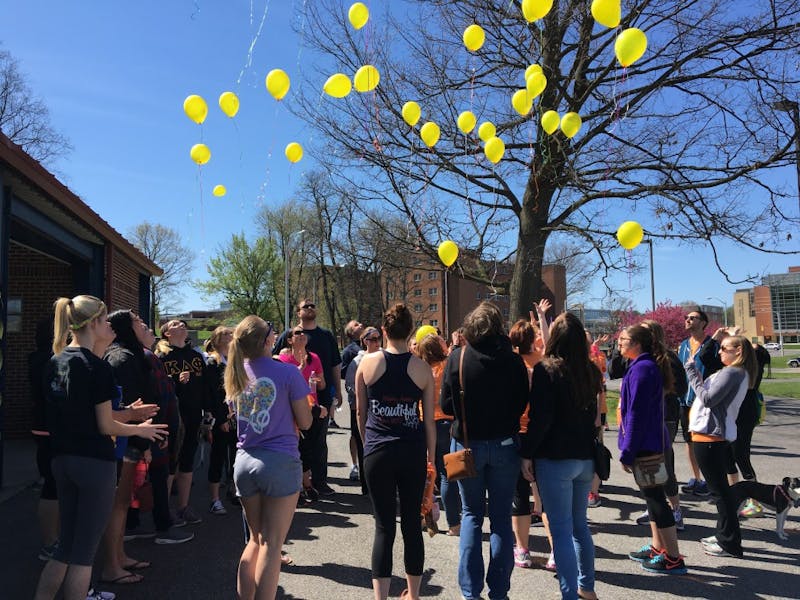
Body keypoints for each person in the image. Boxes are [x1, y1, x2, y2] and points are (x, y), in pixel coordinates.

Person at [34, 296, 166, 600]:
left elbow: (76, 415)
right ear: (93, 323)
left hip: (62, 460)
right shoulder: (96, 367)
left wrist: (129, 419)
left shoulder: (56, 361)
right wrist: (140, 429)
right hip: (94, 464)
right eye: (105, 320)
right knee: (82, 555)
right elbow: (105, 425)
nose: (110, 325)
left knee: (65, 546)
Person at [441, 301, 528, 600]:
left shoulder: (457, 357)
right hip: (505, 444)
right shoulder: (514, 361)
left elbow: (446, 406)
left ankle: (470, 591)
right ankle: (499, 590)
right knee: (501, 518)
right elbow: (521, 403)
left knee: (471, 515)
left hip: (466, 445)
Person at [224, 315, 312, 600]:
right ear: (266, 340)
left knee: (255, 539)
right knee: (273, 545)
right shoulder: (287, 373)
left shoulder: (236, 371)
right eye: (272, 332)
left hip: (245, 461)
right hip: (279, 461)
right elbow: (306, 421)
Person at [356, 304, 436, 600]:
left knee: (383, 527)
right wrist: (431, 460)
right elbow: (428, 422)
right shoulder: (422, 368)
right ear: (410, 331)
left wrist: (369, 447)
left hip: (377, 451)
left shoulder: (367, 363)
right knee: (412, 526)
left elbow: (360, 414)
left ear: (384, 331)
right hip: (412, 451)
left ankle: (381, 597)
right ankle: (413, 595)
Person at [521, 313, 601, 599]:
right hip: (583, 458)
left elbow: (541, 419)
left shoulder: (547, 370)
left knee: (562, 531)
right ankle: (586, 586)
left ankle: (569, 593)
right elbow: (595, 418)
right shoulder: (591, 371)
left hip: (555, 458)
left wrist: (527, 453)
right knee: (580, 526)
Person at [618, 324, 687, 575]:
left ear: (637, 344)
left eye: (623, 339)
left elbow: (636, 414)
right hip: (645, 444)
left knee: (657, 500)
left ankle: (673, 558)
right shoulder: (640, 366)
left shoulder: (643, 369)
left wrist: (627, 450)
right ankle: (659, 548)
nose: (619, 342)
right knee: (652, 499)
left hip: (646, 446)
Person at [100, 310, 161, 585]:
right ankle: (111, 566)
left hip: (131, 439)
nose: (143, 324)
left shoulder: (130, 355)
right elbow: (125, 409)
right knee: (118, 504)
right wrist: (141, 440)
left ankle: (120, 555)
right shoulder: (121, 358)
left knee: (123, 504)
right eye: (137, 321)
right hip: (123, 442)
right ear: (127, 327)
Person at [685, 333, 757, 558]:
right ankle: (724, 535)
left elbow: (708, 399)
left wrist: (692, 373)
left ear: (738, 351)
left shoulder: (733, 372)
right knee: (721, 492)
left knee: (720, 493)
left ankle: (730, 543)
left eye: (724, 348)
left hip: (711, 437)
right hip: (708, 436)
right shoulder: (733, 372)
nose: (719, 352)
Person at [272, 299, 342, 495]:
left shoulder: (326, 336)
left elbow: (335, 365)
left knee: (319, 442)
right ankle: (297, 484)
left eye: (313, 305)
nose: (310, 308)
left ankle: (319, 482)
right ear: (298, 312)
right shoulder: (288, 335)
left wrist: (338, 390)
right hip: (292, 401)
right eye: (306, 306)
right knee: (296, 441)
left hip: (320, 397)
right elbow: (273, 360)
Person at [634, 319, 689, 531]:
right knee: (649, 465)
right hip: (647, 417)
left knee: (664, 464)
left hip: (665, 416)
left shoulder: (668, 357)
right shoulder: (640, 357)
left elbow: (681, 388)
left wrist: (662, 391)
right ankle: (655, 506)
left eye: (644, 331)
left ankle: (675, 511)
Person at [157, 319, 211, 525]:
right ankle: (164, 510)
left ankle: (183, 507)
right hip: (171, 418)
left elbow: (205, 388)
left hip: (194, 416)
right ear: (166, 334)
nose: (181, 325)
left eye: (182, 324)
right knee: (170, 464)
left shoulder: (196, 357)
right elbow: (158, 390)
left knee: (187, 462)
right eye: (174, 324)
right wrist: (177, 383)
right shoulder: (161, 357)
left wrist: (208, 413)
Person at [417, 332, 462, 537]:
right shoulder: (447, 367)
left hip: (427, 423)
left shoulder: (421, 370)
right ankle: (455, 522)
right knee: (452, 473)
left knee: (433, 472)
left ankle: (428, 517)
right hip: (449, 423)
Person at [278, 324, 327, 501]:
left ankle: (308, 485)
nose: (301, 335)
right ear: (290, 339)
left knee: (311, 449)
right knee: (297, 449)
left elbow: (322, 385)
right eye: (297, 333)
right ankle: (299, 487)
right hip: (293, 409)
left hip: (313, 407)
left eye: (303, 333)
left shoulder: (314, 357)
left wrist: (317, 380)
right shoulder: (283, 359)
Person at [677, 308, 722, 497]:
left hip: (703, 401)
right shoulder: (683, 345)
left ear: (703, 323)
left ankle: (711, 481)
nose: (687, 320)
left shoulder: (712, 344)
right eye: (686, 318)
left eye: (692, 318)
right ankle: (697, 478)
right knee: (689, 441)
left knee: (705, 441)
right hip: (684, 401)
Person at [29, 317, 58, 561]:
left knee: (52, 483)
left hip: (42, 425)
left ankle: (52, 541)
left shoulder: (36, 357)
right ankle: (50, 543)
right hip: (51, 428)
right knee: (53, 485)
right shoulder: (51, 360)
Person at [732, 340, 771, 517]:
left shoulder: (752, 372)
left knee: (741, 456)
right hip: (737, 417)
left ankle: (755, 502)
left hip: (744, 417)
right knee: (730, 457)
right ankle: (736, 495)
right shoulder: (746, 370)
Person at [344, 326, 382, 495]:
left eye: (378, 338)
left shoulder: (384, 357)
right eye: (372, 339)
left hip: (380, 409)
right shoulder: (357, 361)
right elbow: (350, 385)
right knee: (363, 445)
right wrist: (365, 394)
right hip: (360, 408)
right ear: (364, 341)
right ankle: (366, 484)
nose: (376, 342)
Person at [205, 326, 236, 515]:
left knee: (235, 456)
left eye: (231, 333)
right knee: (217, 456)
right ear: (217, 339)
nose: (230, 335)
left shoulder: (237, 362)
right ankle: (214, 499)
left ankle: (233, 490)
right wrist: (222, 417)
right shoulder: (212, 363)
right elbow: (211, 395)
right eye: (226, 333)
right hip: (220, 418)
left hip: (237, 417)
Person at [341, 319, 365, 480]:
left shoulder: (372, 346)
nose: (360, 325)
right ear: (350, 333)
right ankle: (354, 464)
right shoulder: (350, 351)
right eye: (356, 325)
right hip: (355, 399)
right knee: (355, 433)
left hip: (372, 400)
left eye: (360, 323)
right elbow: (343, 373)